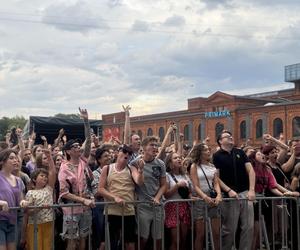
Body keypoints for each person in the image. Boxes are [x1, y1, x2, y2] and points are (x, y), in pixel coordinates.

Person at [58, 108, 95, 250]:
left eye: (79, 146)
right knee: (72, 241)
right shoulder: (64, 168)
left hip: (86, 208)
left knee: (84, 238)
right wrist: (83, 200)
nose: (78, 148)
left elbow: (89, 140)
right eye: (75, 147)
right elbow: (64, 193)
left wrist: (86, 121)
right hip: (71, 210)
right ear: (68, 151)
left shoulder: (83, 161)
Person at [212, 130, 255, 250]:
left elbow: (251, 171)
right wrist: (228, 190)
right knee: (229, 229)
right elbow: (216, 177)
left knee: (248, 227)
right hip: (229, 196)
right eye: (227, 136)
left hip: (245, 193)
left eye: (231, 136)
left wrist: (251, 190)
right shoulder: (216, 156)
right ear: (220, 141)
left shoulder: (240, 152)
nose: (231, 137)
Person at [98, 144, 144, 250]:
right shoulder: (107, 168)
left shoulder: (132, 168)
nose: (126, 154)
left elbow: (139, 182)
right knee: (104, 244)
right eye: (124, 151)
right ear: (117, 153)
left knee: (130, 244)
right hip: (111, 211)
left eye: (129, 153)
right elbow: (100, 189)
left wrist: (141, 171)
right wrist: (115, 198)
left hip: (128, 211)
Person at [134, 136, 167, 250]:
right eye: (151, 145)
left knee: (158, 238)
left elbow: (164, 185)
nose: (154, 147)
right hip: (143, 206)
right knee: (143, 238)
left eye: (156, 145)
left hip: (157, 205)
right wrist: (141, 170)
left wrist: (158, 198)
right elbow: (139, 182)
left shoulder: (160, 164)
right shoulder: (135, 162)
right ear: (143, 147)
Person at [190, 143, 222, 250]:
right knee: (200, 234)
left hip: (213, 199)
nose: (209, 151)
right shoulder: (194, 166)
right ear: (200, 152)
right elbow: (195, 186)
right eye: (206, 150)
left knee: (216, 233)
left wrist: (218, 195)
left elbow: (216, 183)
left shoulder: (212, 166)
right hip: (200, 199)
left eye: (209, 149)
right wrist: (204, 197)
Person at [23, 149, 56, 250]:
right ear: (34, 179)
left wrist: (49, 157)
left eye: (46, 176)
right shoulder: (30, 193)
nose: (45, 178)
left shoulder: (49, 189)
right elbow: (28, 212)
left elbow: (53, 172)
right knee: (35, 247)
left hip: (48, 222)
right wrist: (39, 208)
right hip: (34, 225)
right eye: (42, 176)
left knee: (47, 247)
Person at [0, 149, 29, 250]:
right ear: (2, 161)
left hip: (12, 221)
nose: (15, 160)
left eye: (16, 158)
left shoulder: (18, 180)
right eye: (11, 158)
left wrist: (23, 202)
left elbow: (21, 199)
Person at [164, 152, 191, 250]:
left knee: (184, 239)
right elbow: (166, 194)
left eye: (179, 157)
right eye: (175, 158)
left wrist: (191, 197)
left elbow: (188, 193)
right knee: (176, 240)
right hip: (171, 207)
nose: (179, 159)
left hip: (184, 207)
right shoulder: (167, 175)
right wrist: (177, 185)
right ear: (170, 162)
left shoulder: (185, 176)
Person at [91, 147, 111, 250]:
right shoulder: (95, 174)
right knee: (101, 236)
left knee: (112, 236)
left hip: (113, 207)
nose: (109, 157)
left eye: (109, 155)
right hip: (100, 208)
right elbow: (97, 192)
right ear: (99, 160)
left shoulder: (114, 171)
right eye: (105, 156)